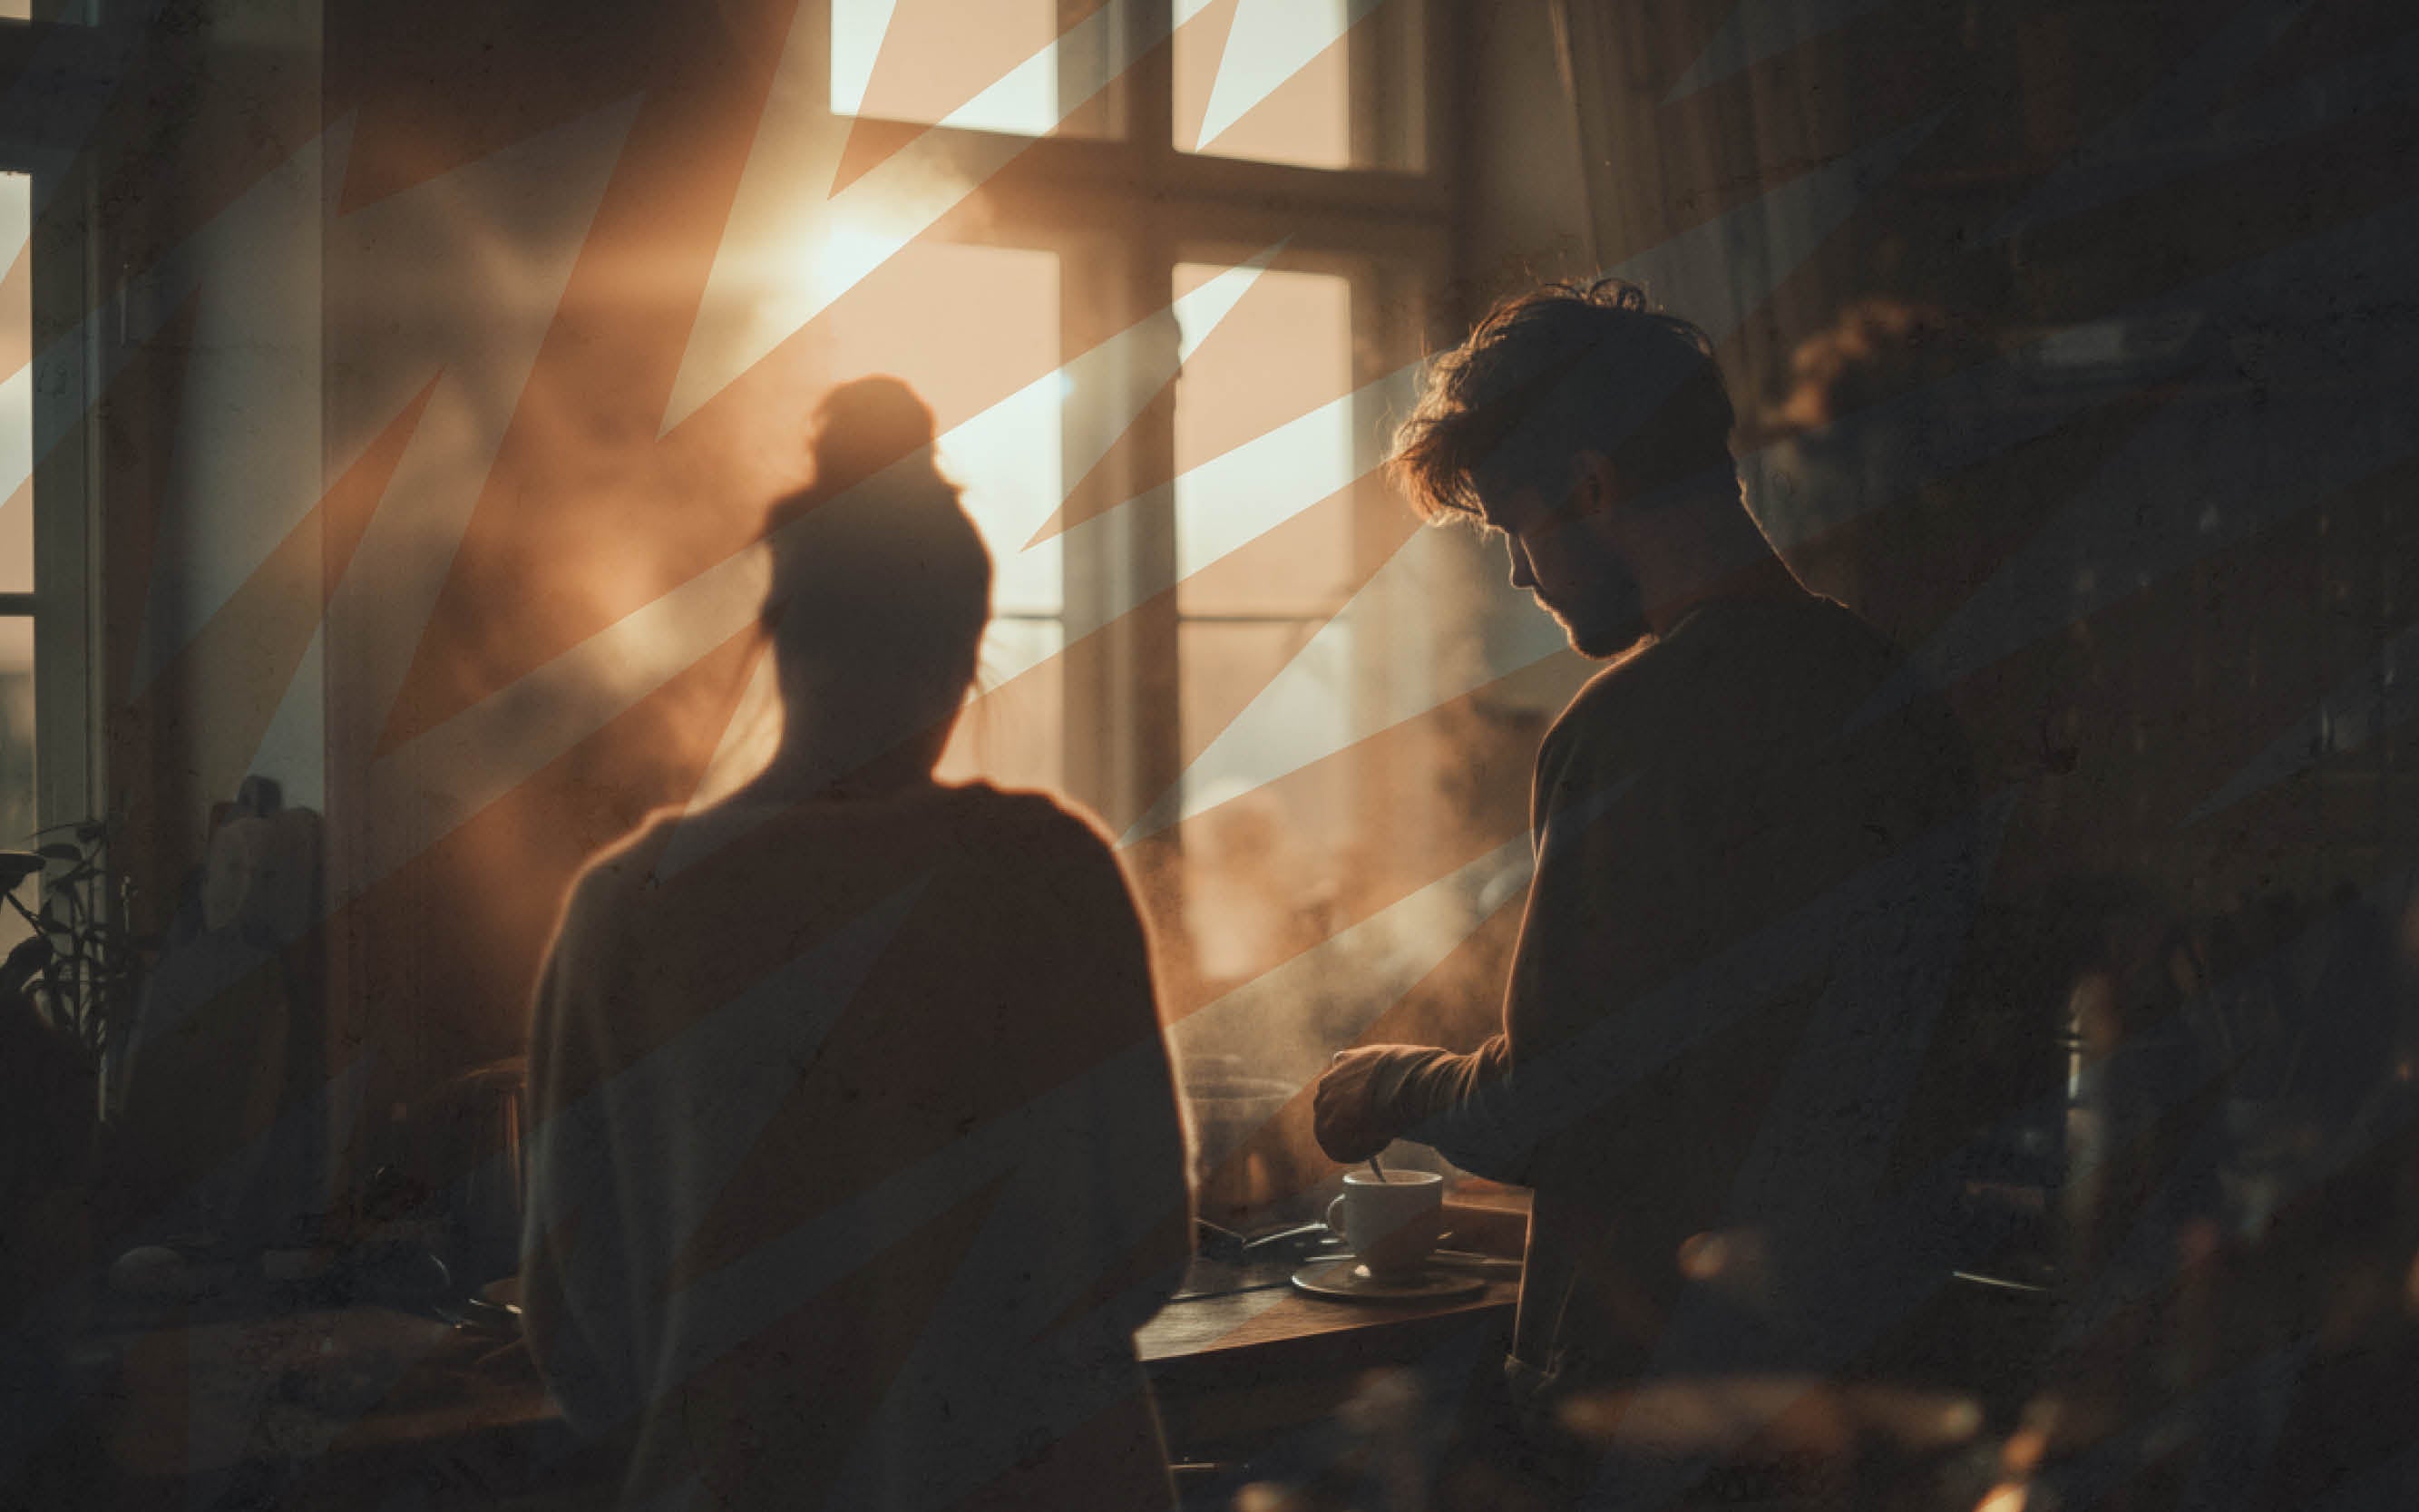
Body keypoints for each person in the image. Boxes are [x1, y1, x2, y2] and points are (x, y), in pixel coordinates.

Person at [1312, 281, 1983, 1482]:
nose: (1520, 575)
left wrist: (1386, 1083)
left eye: (1514, 525)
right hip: (1883, 1366)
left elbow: (1549, 1102)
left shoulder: (1625, 727)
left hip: (1659, 1396)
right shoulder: (1891, 687)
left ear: (1589, 483)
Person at [520, 377, 1192, 1511]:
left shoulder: (627, 910)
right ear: (965, 650)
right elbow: (1143, 1246)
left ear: (782, 636)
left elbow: (582, 1338)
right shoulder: (1045, 873)